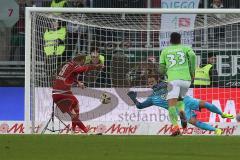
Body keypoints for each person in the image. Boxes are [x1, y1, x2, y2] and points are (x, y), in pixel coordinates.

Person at [127, 75, 234, 135]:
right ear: (148, 85)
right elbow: (140, 106)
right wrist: (134, 99)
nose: (151, 84)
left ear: (157, 80)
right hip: (179, 109)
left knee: (205, 104)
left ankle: (222, 113)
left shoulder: (165, 84)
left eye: (152, 81)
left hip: (185, 100)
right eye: (149, 83)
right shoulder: (152, 98)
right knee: (194, 122)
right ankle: (216, 130)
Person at [52, 54, 104, 133]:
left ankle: (73, 130)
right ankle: (87, 131)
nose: (84, 63)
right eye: (84, 61)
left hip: (56, 93)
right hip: (63, 93)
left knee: (76, 105)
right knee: (73, 113)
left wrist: (78, 82)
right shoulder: (74, 66)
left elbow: (68, 75)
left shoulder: (67, 65)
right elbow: (81, 69)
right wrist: (96, 66)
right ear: (82, 60)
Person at [159, 32, 196, 136]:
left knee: (171, 105)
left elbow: (161, 69)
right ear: (180, 40)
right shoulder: (185, 48)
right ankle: (182, 112)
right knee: (180, 99)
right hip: (186, 79)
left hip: (173, 80)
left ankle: (175, 128)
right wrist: (192, 72)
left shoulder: (165, 50)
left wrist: (164, 72)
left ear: (170, 40)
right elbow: (193, 55)